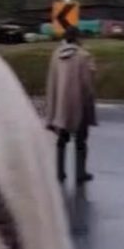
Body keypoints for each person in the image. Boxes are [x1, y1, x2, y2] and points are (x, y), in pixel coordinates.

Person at [44, 25, 96, 185]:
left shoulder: (55, 55)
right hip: (78, 104)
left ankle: (60, 171)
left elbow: (51, 80)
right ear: (78, 38)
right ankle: (80, 172)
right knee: (81, 140)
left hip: (60, 104)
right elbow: (87, 83)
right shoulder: (84, 56)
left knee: (62, 139)